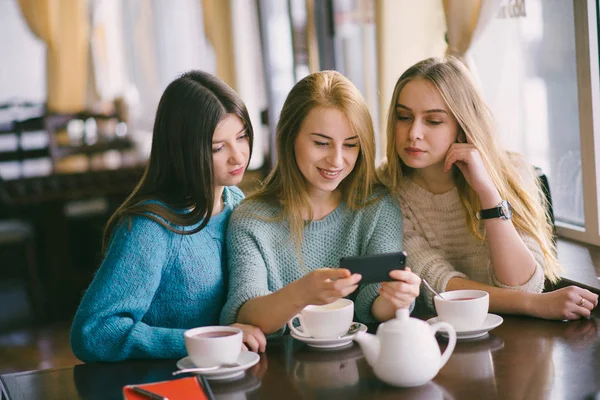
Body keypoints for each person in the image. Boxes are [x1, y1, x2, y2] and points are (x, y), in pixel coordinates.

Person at [379, 56, 598, 320]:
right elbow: (438, 285)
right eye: (404, 117)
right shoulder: (387, 188)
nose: (413, 132)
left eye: (433, 121)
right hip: (444, 336)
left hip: (516, 335)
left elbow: (524, 283)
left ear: (461, 126)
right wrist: (532, 304)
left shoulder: (510, 171)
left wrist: (487, 192)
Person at [70, 70, 266, 362]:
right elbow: (94, 332)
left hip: (232, 372)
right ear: (183, 151)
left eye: (242, 137)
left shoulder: (234, 201)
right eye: (217, 147)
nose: (238, 156)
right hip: (172, 383)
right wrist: (206, 341)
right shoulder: (149, 228)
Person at [220, 70, 421, 334]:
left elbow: (375, 304)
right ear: (290, 137)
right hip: (282, 367)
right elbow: (246, 313)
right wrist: (302, 293)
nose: (337, 160)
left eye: (350, 145)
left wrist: (396, 298)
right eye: (322, 143)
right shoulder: (252, 220)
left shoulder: (378, 206)